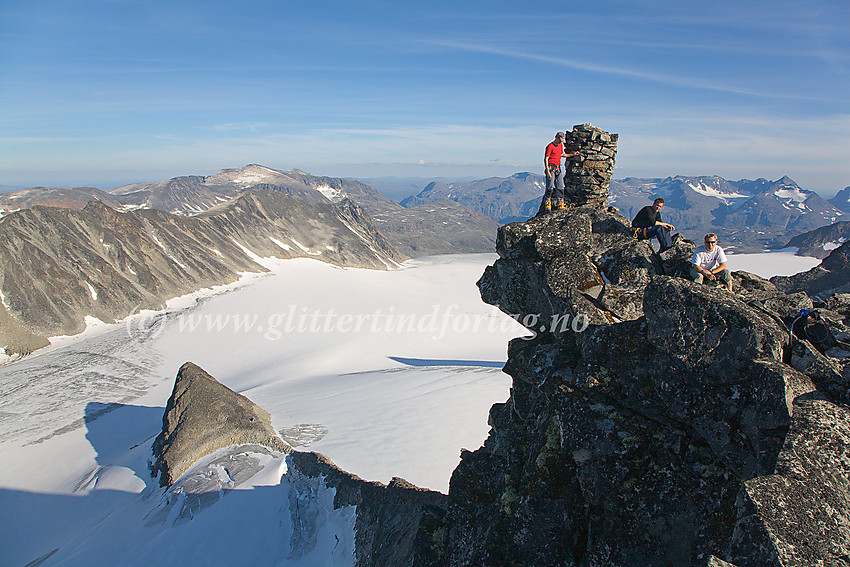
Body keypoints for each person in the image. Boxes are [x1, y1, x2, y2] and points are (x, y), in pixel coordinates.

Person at [540, 132, 579, 213]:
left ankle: (560, 203)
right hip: (551, 168)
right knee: (550, 187)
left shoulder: (560, 145)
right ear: (556, 137)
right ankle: (547, 204)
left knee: (560, 186)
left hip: (558, 168)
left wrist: (572, 154)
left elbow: (562, 154)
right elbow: (546, 159)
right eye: (559, 139)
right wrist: (548, 171)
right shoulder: (550, 146)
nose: (560, 141)